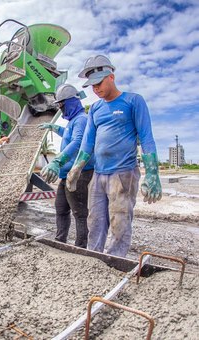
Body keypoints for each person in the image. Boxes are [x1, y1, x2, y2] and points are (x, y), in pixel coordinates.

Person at [67, 55, 162, 257]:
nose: (95, 89)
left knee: (119, 221)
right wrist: (76, 168)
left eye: (98, 83)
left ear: (111, 76)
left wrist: (152, 174)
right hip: (99, 175)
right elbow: (88, 143)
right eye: (91, 86)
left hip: (123, 174)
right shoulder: (95, 108)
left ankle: (115, 260)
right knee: (95, 221)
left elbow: (146, 138)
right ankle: (94, 259)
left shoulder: (133, 101)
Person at [39, 84, 94, 248]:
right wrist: (54, 127)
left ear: (71, 103)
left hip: (79, 173)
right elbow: (68, 135)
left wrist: (57, 161)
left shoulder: (82, 119)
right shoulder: (73, 121)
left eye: (62, 105)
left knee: (79, 211)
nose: (61, 109)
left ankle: (80, 246)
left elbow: (77, 142)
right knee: (61, 208)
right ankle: (60, 240)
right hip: (66, 174)